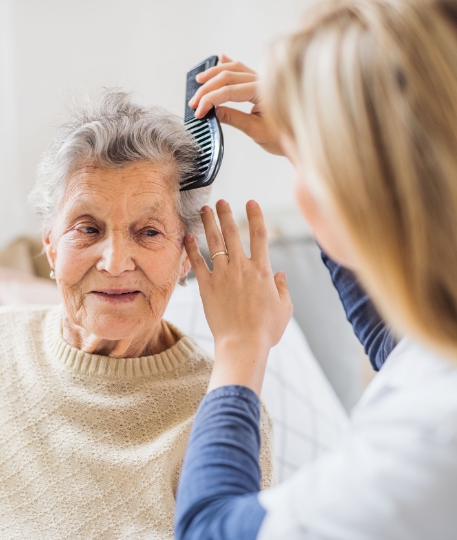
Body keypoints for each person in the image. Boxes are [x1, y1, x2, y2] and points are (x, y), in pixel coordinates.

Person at [0, 90, 276, 539]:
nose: (114, 261)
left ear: (185, 256)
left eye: (148, 232)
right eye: (88, 228)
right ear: (50, 244)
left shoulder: (224, 409)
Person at [175, 0, 457, 538]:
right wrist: (303, 150)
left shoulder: (427, 445)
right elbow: (400, 349)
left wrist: (239, 346)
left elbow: (210, 530)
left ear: (355, 192)